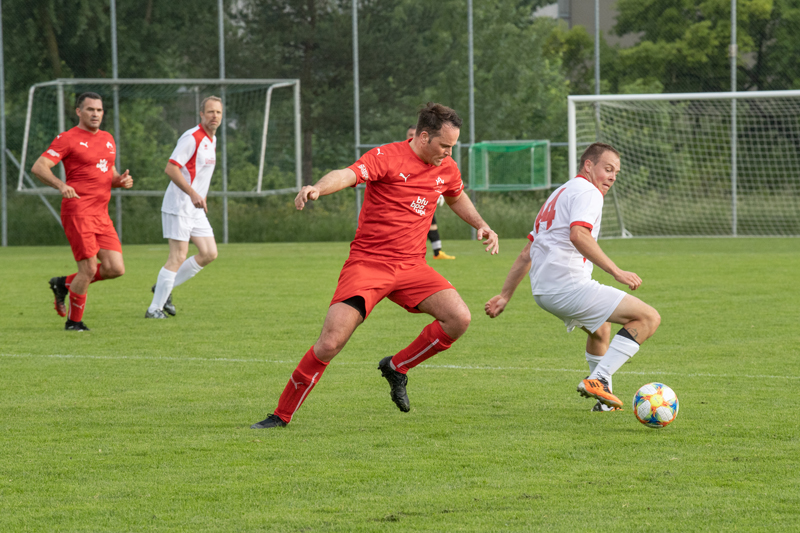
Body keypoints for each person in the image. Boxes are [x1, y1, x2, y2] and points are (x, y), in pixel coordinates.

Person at [251, 102, 499, 429]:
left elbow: (455, 195)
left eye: (453, 147)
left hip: (412, 267)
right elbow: (347, 174)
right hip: (368, 265)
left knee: (459, 318)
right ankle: (280, 416)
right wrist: (317, 189)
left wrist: (480, 223)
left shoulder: (446, 167)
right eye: (444, 146)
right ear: (424, 137)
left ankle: (397, 367)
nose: (448, 154)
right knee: (330, 342)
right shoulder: (387, 157)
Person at [484, 142, 661, 411]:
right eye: (608, 169)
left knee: (601, 329)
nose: (612, 176)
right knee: (648, 318)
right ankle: (598, 378)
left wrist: (505, 295)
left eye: (616, 172)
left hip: (545, 291)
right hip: (568, 286)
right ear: (588, 166)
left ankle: (604, 402)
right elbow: (579, 234)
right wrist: (616, 271)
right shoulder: (589, 192)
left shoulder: (560, 192)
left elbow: (526, 253)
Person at [32, 92, 134, 331]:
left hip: (101, 214)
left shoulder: (108, 138)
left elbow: (108, 173)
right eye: (90, 110)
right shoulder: (68, 138)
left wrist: (120, 181)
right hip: (78, 211)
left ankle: (63, 284)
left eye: (99, 110)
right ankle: (74, 323)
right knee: (87, 269)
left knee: (115, 268)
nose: (95, 114)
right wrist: (61, 185)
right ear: (79, 112)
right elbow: (39, 166)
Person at [145, 96, 223, 319]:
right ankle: (154, 309)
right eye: (210, 112)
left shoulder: (212, 139)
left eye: (218, 112)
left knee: (209, 253)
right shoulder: (192, 138)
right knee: (178, 256)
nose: (214, 116)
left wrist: (199, 196)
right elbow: (171, 169)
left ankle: (163, 289)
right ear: (201, 114)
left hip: (194, 209)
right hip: (179, 205)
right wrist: (192, 193)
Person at [407, 125, 455, 260]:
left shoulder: (429, 158)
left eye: (413, 133)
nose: (411, 137)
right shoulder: (403, 156)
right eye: (409, 134)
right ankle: (435, 252)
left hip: (422, 199)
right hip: (409, 202)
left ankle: (437, 252)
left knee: (431, 222)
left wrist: (438, 191)